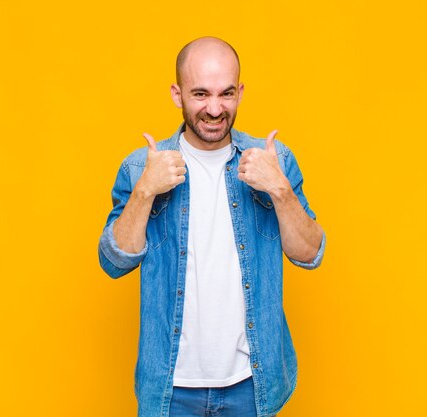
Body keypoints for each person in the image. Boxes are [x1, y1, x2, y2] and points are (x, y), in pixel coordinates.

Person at [97, 36, 326, 417]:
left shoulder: (274, 160)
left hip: (252, 385)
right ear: (177, 94)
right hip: (170, 385)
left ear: (241, 91)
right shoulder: (141, 168)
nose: (215, 109)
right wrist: (144, 193)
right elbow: (113, 263)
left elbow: (311, 254)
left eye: (227, 93)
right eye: (200, 94)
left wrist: (280, 190)